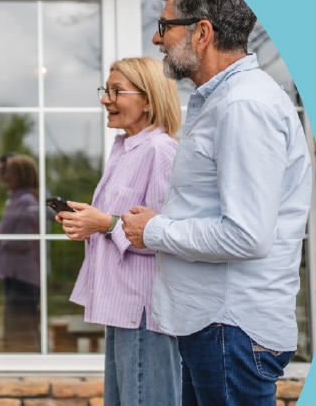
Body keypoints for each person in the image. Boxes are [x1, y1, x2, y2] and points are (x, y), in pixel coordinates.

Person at [120, 0, 313, 405]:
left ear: (202, 32)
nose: (156, 38)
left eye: (165, 26)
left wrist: (153, 230)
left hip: (231, 330)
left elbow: (246, 235)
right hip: (216, 329)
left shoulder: (244, 107)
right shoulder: (221, 101)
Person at [55, 57, 182, 406]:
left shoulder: (161, 151)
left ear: (148, 100)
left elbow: (166, 235)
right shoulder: (123, 148)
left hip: (143, 310)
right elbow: (117, 220)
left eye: (116, 91)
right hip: (121, 308)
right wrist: (88, 221)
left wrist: (105, 223)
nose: (105, 99)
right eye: (105, 90)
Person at [0, 153, 41, 352]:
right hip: (15, 273)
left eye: (5, 171)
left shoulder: (26, 201)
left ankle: (27, 364)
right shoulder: (16, 200)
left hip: (23, 276)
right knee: (16, 326)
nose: (1, 175)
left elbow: (25, 240)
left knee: (21, 326)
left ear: (20, 174)